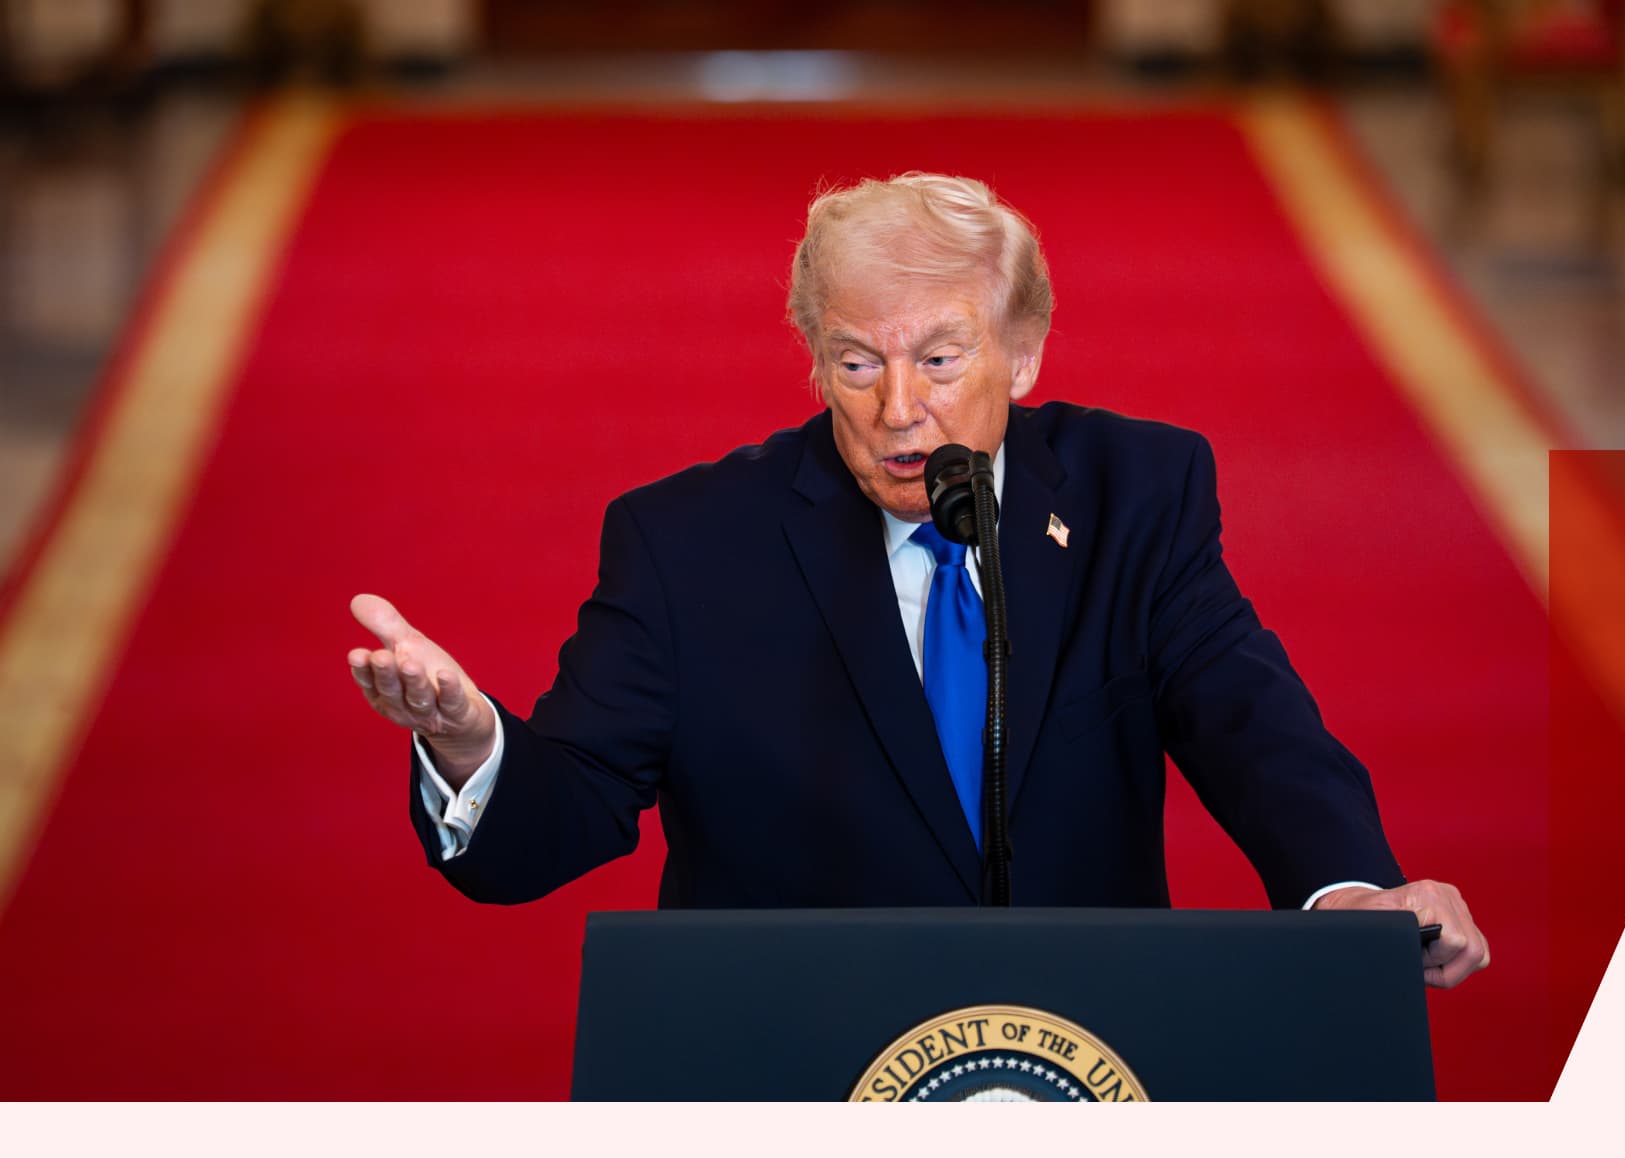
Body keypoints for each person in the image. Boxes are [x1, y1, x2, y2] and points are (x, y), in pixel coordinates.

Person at [346, 173, 1490, 988]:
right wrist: (466, 741)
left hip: (1081, 1050)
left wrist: (1351, 899)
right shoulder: (687, 544)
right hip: (798, 1063)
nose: (900, 408)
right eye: (856, 362)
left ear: (1025, 351)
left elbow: (1254, 728)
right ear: (815, 362)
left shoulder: (1134, 495)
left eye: (941, 360)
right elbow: (558, 821)